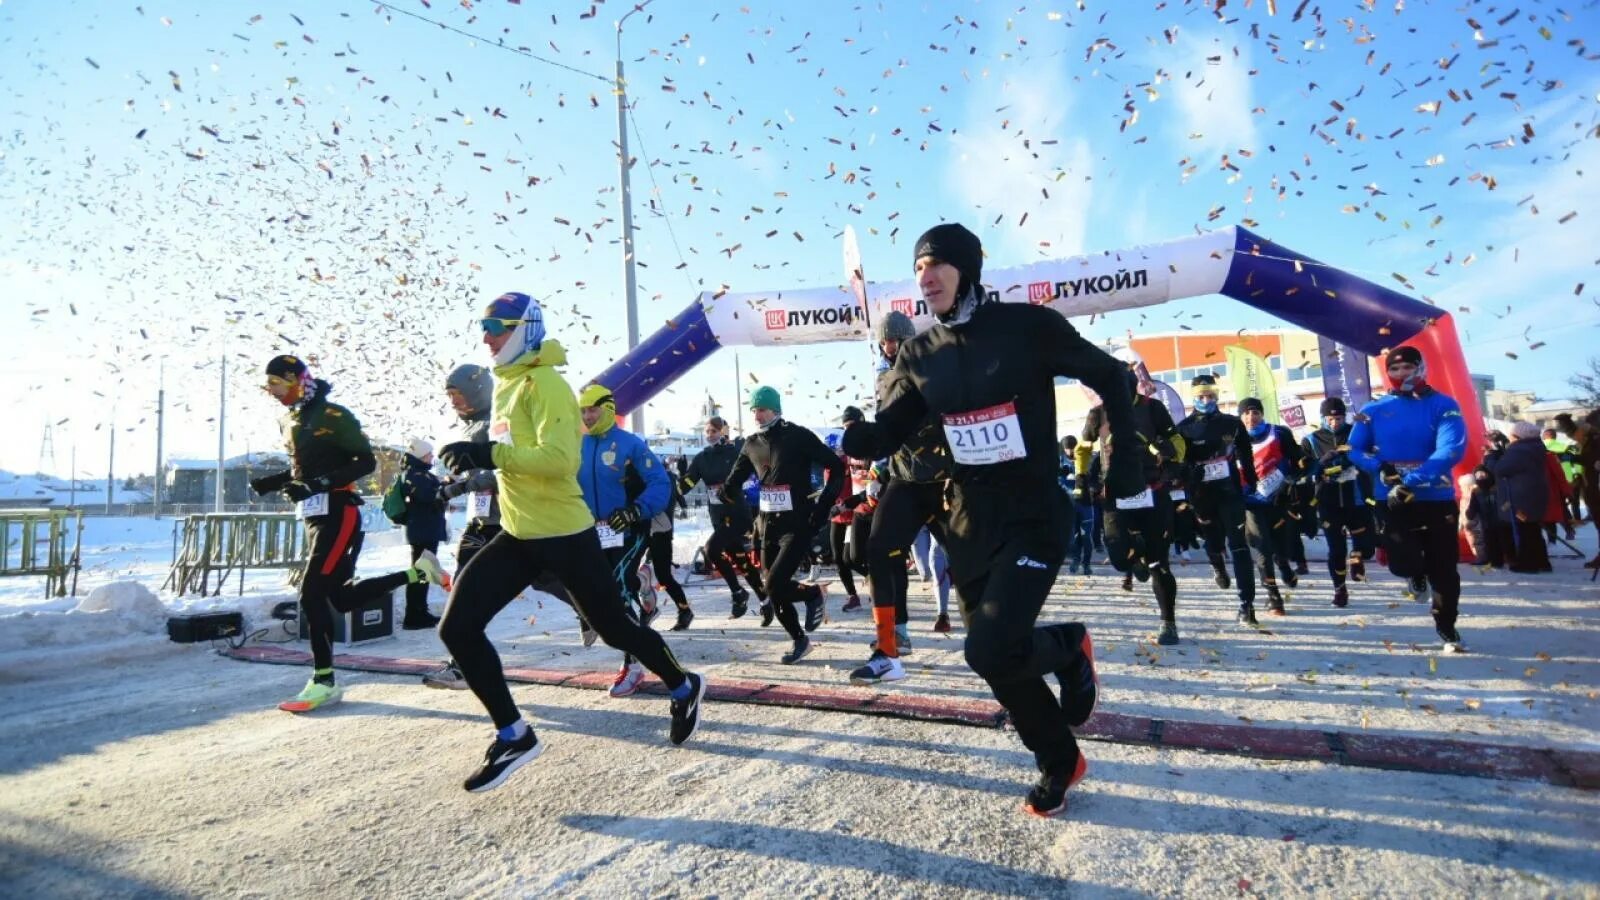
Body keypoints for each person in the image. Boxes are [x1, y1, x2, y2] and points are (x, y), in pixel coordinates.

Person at [842, 223, 1142, 818]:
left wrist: (1124, 474)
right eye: (918, 268)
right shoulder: (919, 352)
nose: (925, 277)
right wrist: (861, 437)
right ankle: (1062, 759)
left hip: (1033, 514)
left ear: (966, 268)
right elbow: (894, 430)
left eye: (936, 264)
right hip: (969, 519)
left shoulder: (1027, 327)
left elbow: (1112, 376)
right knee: (993, 657)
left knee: (990, 645)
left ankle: (1066, 646)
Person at [436, 292, 704, 792]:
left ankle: (684, 685)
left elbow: (558, 461)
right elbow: (508, 457)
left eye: (495, 325)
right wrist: (471, 466)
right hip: (517, 533)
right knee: (457, 629)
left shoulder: (549, 386)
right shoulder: (508, 388)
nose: (486, 335)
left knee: (616, 631)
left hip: (564, 534)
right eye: (483, 325)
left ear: (524, 329)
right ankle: (514, 734)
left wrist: (487, 452)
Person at [249, 354, 444, 712]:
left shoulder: (334, 416)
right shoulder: (288, 419)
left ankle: (324, 679)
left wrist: (317, 485)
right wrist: (273, 481)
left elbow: (365, 462)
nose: (272, 392)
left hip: (340, 512)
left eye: (276, 383)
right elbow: (302, 469)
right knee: (339, 599)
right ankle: (420, 572)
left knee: (311, 594)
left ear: (297, 380)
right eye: (268, 386)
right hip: (314, 516)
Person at [424, 365, 582, 691]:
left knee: (544, 579)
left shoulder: (499, 421)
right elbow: (475, 471)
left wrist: (459, 487)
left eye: (458, 394)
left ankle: (593, 612)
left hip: (509, 519)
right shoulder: (467, 428)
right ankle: (462, 663)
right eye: (450, 396)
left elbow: (507, 465)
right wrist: (452, 483)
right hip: (479, 520)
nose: (454, 401)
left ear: (477, 390)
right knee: (464, 586)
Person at [849, 309, 952, 686]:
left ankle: (1004, 643)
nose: (890, 345)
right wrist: (877, 468)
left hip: (944, 480)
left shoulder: (932, 366)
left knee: (973, 560)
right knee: (878, 548)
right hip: (907, 480)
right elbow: (889, 433)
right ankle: (889, 649)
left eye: (896, 339)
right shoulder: (882, 377)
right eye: (885, 340)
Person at [1349, 346, 1468, 653]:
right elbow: (1353, 450)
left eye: (1408, 367)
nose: (1402, 374)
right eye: (1395, 369)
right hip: (1393, 498)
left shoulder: (1443, 405)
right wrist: (1380, 467)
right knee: (1404, 562)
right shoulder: (1372, 410)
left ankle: (1446, 625)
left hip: (1435, 497)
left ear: (1422, 368)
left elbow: (1451, 449)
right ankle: (1414, 574)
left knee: (1444, 567)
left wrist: (1412, 480)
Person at [719, 386, 844, 664]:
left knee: (775, 583)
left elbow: (836, 466)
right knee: (770, 586)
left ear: (775, 409)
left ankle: (812, 593)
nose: (757, 415)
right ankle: (800, 641)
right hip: (767, 525)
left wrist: (823, 505)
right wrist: (725, 491)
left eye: (761, 409)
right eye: (753, 410)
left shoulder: (798, 436)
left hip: (797, 522)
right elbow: (735, 479)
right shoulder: (751, 443)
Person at [575, 382, 676, 698]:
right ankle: (641, 589)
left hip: (629, 530)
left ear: (606, 409)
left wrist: (635, 511)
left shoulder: (629, 444)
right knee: (582, 582)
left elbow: (661, 482)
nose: (588, 416)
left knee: (617, 589)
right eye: (583, 411)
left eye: (593, 409)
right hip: (592, 531)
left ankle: (633, 665)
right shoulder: (576, 444)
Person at [1079, 368, 1184, 644]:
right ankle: (1134, 559)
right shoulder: (1098, 413)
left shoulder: (1153, 408)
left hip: (1152, 490)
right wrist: (1082, 478)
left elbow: (1176, 440)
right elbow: (1084, 447)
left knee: (1159, 563)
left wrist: (1171, 453)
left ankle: (1168, 623)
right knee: (1117, 557)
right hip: (1115, 494)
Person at [1175, 374, 1259, 624]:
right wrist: (1190, 472)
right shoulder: (1184, 428)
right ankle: (1218, 566)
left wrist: (1251, 480)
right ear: (1193, 397)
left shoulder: (1232, 423)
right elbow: (1178, 463)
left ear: (1217, 396)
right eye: (1201, 396)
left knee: (1239, 546)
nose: (1206, 400)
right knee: (1213, 541)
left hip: (1230, 492)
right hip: (1202, 495)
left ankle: (1247, 605)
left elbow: (1246, 452)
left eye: (1210, 396)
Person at [680, 416, 769, 619]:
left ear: (723, 432)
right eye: (707, 431)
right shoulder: (702, 458)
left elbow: (757, 471)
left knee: (711, 550)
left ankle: (738, 593)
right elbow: (687, 484)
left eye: (714, 431)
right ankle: (765, 600)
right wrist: (674, 483)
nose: (710, 435)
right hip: (718, 516)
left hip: (737, 513)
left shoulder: (735, 452)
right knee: (740, 559)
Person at [1301, 397, 1376, 607]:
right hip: (1328, 502)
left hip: (1357, 499)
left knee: (1367, 547)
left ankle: (1357, 558)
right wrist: (1321, 464)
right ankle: (1339, 590)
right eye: (1330, 419)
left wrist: (1368, 425)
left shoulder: (1355, 433)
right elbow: (1305, 470)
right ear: (1323, 418)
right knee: (1336, 550)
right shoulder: (1312, 439)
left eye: (1339, 418)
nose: (1335, 422)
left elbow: (1372, 451)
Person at [1486, 422, 1555, 573]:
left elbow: (1500, 469)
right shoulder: (1536, 447)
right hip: (1534, 494)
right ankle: (1542, 562)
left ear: (1518, 436)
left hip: (1520, 496)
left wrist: (1491, 458)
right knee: (1532, 528)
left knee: (1524, 530)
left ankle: (1527, 564)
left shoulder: (1519, 451)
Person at [398, 438, 448, 630]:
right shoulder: (415, 475)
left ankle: (420, 611)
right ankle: (414, 615)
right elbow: (428, 497)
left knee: (423, 572)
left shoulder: (420, 474)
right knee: (420, 572)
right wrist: (444, 489)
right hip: (422, 531)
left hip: (425, 529)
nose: (432, 457)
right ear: (420, 455)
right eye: (429, 454)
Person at [825, 432, 871, 613]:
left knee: (851, 559)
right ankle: (853, 596)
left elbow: (863, 481)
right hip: (837, 514)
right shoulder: (828, 466)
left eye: (835, 450)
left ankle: (874, 577)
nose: (832, 454)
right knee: (838, 558)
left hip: (853, 513)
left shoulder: (850, 461)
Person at [647, 474, 695, 631]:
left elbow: (670, 499)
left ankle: (684, 610)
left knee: (663, 576)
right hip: (632, 530)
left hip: (659, 529)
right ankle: (644, 610)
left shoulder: (661, 474)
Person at [1544, 427, 1581, 541]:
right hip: (1566, 480)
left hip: (1550, 483)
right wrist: (1574, 478)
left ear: (1546, 436)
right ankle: (1570, 528)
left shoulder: (1543, 448)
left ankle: (1552, 538)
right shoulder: (1565, 447)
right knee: (1563, 508)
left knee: (1550, 510)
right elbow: (1574, 462)